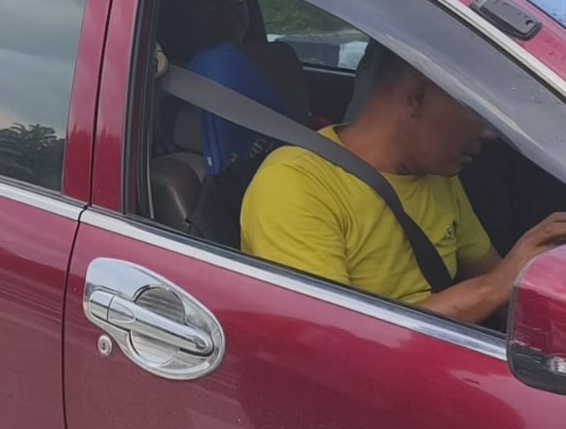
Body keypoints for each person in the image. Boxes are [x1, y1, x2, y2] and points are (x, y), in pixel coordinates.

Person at [241, 42, 566, 323]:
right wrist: (494, 287)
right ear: (417, 96)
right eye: (477, 113)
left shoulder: (438, 175)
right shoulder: (296, 185)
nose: (488, 133)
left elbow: (497, 287)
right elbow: (329, 337)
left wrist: (535, 270)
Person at [156, 0, 300, 174]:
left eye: (236, 0)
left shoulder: (276, 64)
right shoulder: (167, 88)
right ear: (182, 16)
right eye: (213, 6)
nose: (231, 12)